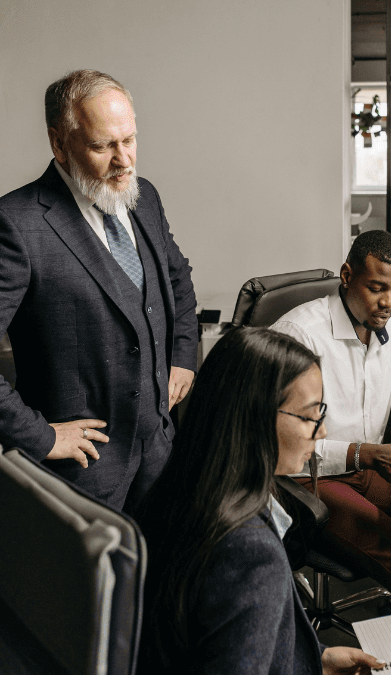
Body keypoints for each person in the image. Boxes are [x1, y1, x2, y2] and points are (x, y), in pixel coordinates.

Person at [0, 70, 197, 510]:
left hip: (161, 453)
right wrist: (41, 436)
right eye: (102, 146)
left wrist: (184, 358)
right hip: (80, 474)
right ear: (59, 144)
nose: (124, 160)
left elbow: (178, 280)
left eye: (129, 140)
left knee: (162, 576)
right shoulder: (16, 223)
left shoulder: (143, 196)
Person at [134, 327, 382, 674]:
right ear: (256, 416)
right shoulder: (249, 550)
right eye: (311, 416)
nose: (322, 430)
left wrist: (316, 660)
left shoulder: (175, 490)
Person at [272, 230, 391, 580]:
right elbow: (277, 440)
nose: (389, 302)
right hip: (305, 479)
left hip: (367, 467)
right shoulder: (300, 335)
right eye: (377, 288)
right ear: (347, 277)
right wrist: (366, 453)